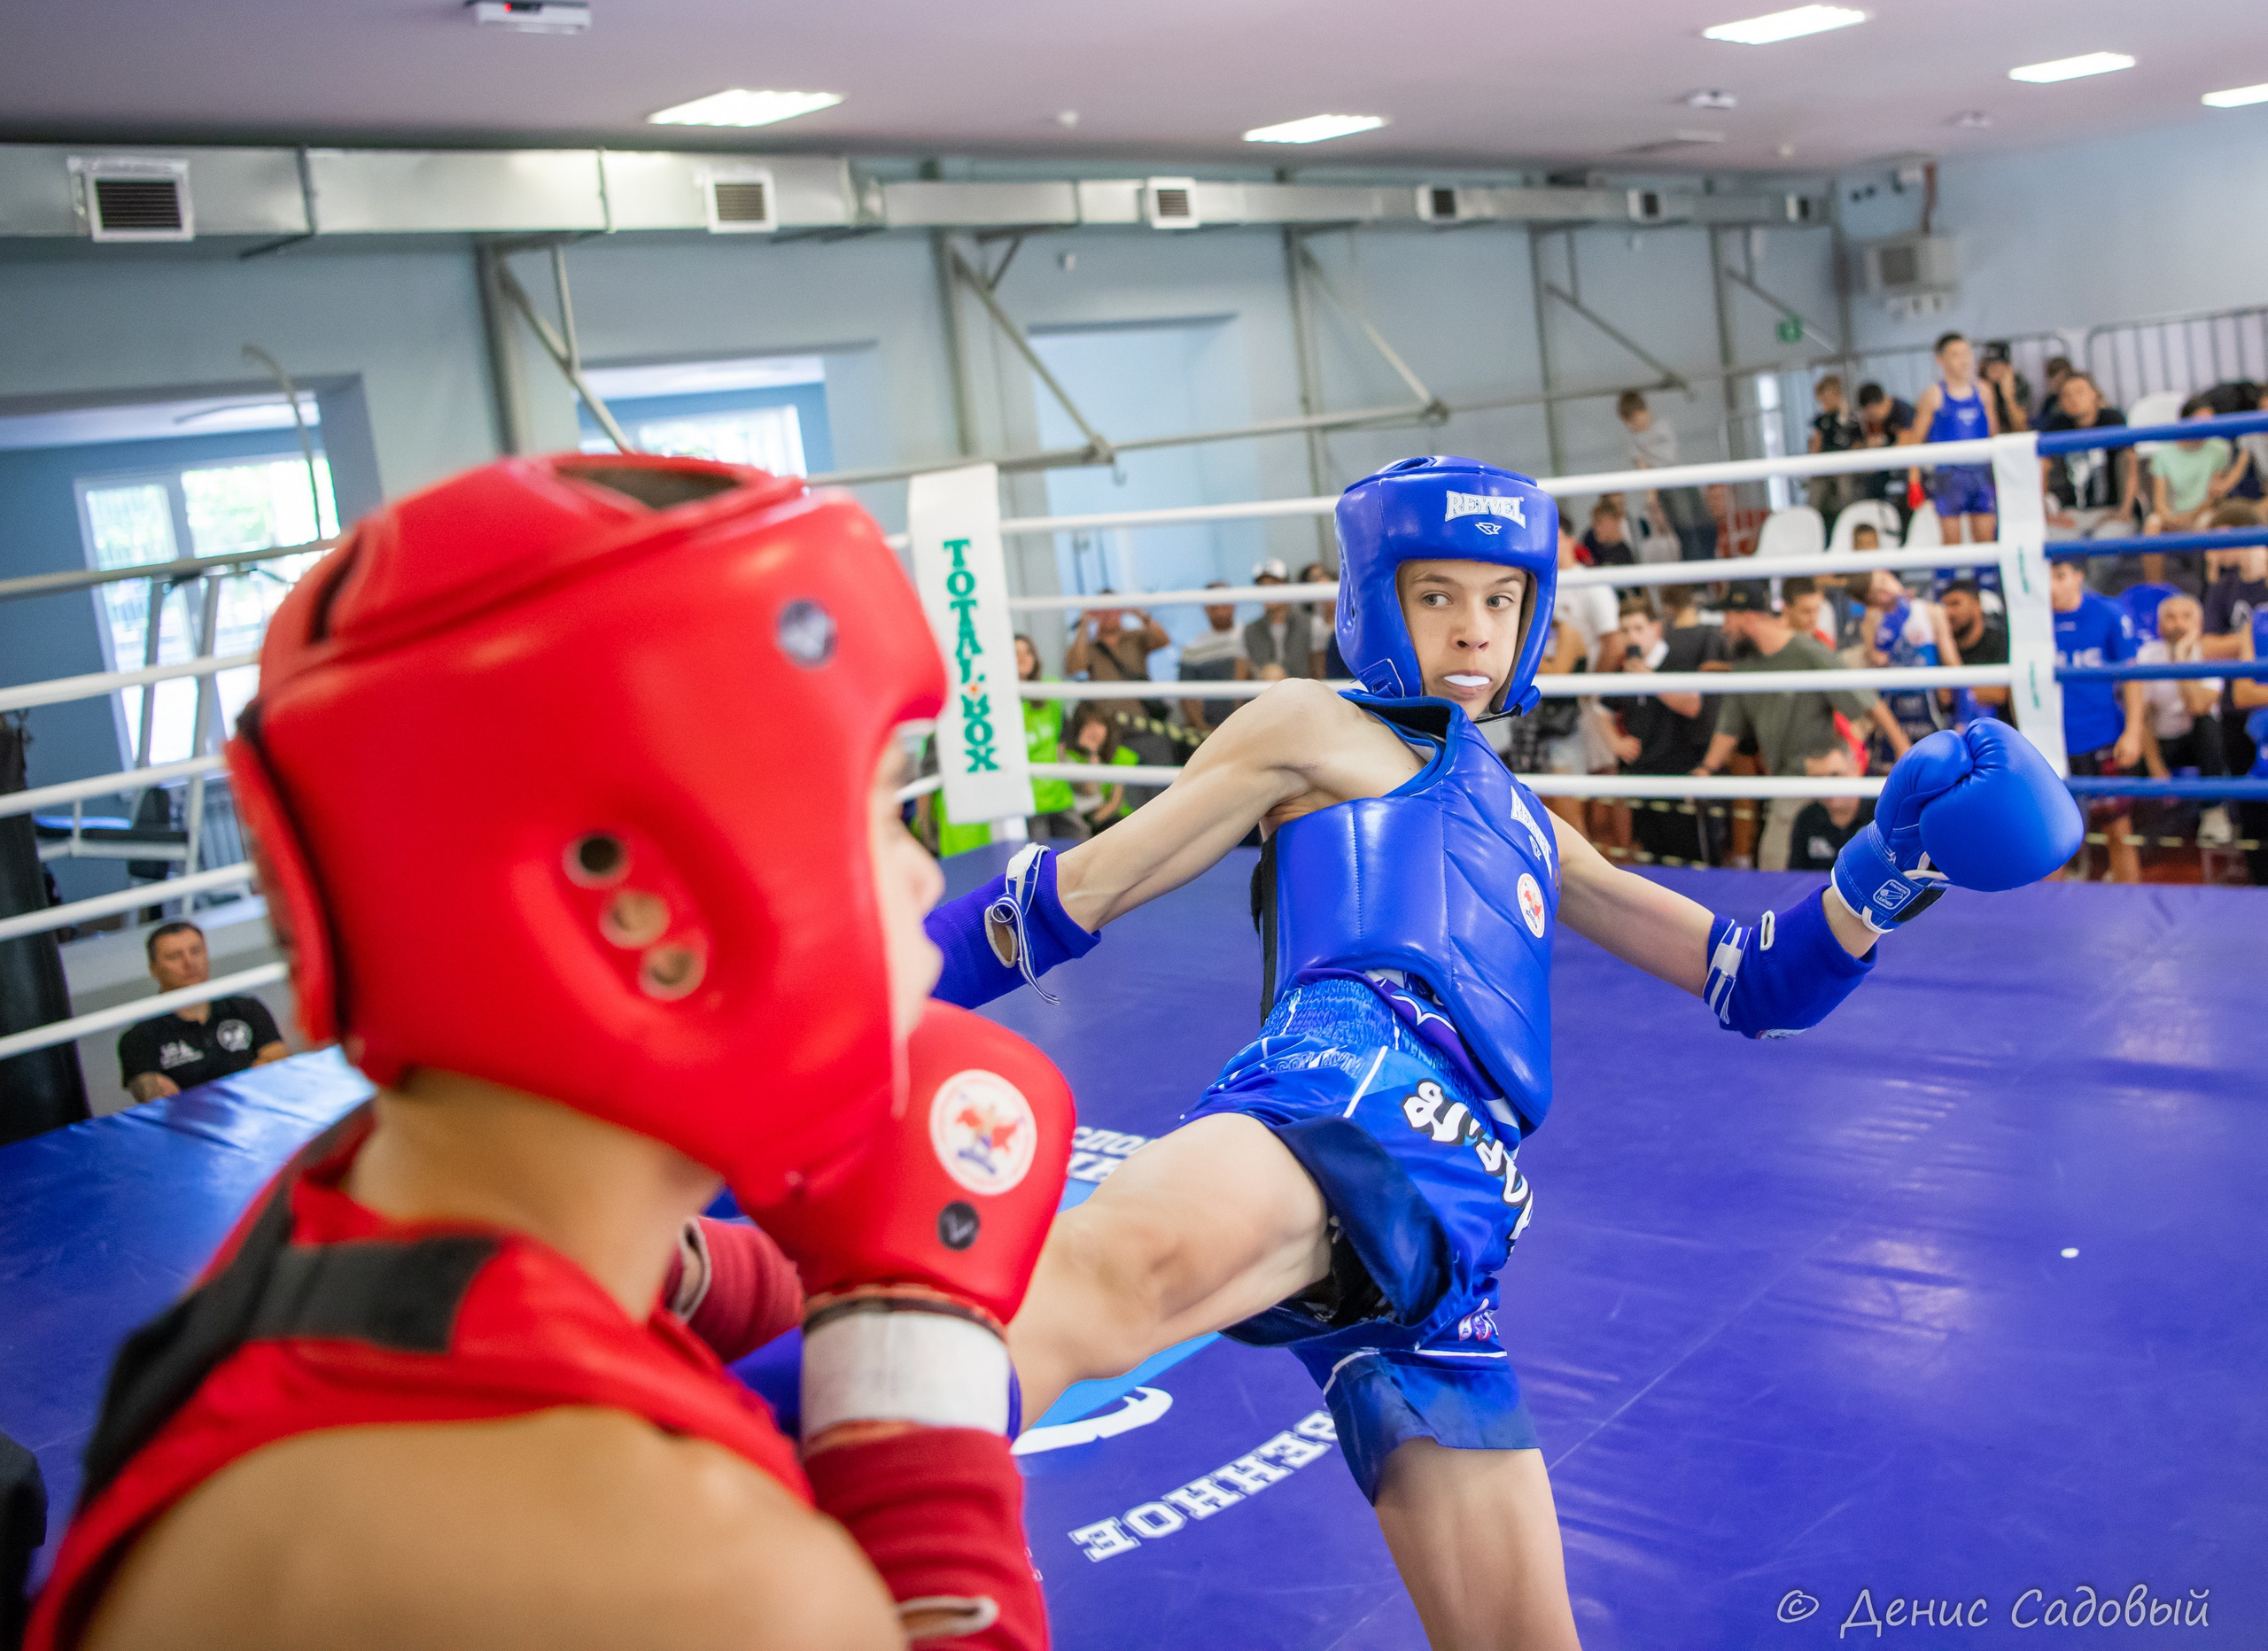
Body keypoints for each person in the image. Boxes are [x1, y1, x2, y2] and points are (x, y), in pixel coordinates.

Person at [920, 455, 2081, 1651]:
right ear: (1378, 603)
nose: (1473, 631)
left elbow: (1758, 984)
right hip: (1343, 1092)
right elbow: (1074, 892)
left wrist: (1884, 878)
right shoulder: (1314, 727)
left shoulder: (1534, 828)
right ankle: (789, 1536)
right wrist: (877, 990)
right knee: (1074, 1288)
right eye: (1437, 597)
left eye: (1499, 600)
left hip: (1464, 1213)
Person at [28, 454, 1069, 1651]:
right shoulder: (679, 1573)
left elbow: (639, 1278)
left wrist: (837, 1270)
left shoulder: (345, 1205)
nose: (925, 877)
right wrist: (916, 1394)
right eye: (884, 807)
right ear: (644, 911)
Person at [1694, 585, 1910, 872]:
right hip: (1787, 781)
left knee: (1785, 871)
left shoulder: (1807, 652)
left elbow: (1868, 703)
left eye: (1728, 617)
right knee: (1778, 869)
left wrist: (1904, 753)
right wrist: (1706, 769)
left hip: (1820, 782)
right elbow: (1729, 726)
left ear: (1746, 616)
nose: (1724, 627)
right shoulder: (1746, 664)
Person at [1599, 592, 1719, 866]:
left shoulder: (1678, 659)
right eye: (1625, 630)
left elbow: (1692, 704)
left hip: (1682, 772)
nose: (1632, 637)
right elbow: (1600, 711)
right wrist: (1615, 741)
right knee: (1652, 857)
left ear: (1656, 628)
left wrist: (1649, 679)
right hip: (1641, 775)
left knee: (1694, 860)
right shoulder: (1623, 671)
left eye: (1639, 628)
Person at [116, 922, 289, 1103]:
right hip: (188, 1127)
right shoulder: (139, 1037)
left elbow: (277, 1061)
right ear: (154, 968)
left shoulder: (246, 1008)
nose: (189, 962)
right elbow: (154, 1095)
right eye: (175, 956)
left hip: (256, 1113)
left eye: (196, 951)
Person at [2051, 555, 2146, 883]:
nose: (2052, 585)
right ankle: (2045, 928)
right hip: (2051, 744)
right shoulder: (2032, 621)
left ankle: (2138, 923)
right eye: (2046, 576)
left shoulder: (2108, 613)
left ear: (2078, 576)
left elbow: (2131, 677)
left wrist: (2133, 732)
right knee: (2049, 843)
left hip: (2102, 737)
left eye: (2060, 575)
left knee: (2119, 832)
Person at [2134, 594, 2228, 847]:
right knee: (2130, 744)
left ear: (2200, 623)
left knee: (2208, 725)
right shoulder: (2146, 656)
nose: (2179, 624)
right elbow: (2141, 718)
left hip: (2197, 744)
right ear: (2158, 625)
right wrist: (2157, 769)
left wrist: (2180, 660)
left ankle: (2213, 812)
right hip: (2159, 743)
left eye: (2187, 616)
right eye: (2171, 617)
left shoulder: (2209, 655)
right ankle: (2131, 839)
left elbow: (2198, 706)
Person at [1900, 331, 2000, 546]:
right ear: (1941, 360)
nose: (1964, 359)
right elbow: (1915, 440)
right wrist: (1914, 481)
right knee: (1951, 541)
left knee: (1986, 539)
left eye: (1966, 353)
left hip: (1981, 474)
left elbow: (1994, 437)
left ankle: (1986, 580)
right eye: (1955, 354)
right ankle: (1948, 580)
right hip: (1948, 477)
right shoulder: (1933, 395)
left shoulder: (1984, 392)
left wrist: (2000, 474)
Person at [2142, 398, 2243, 587]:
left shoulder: (2220, 449)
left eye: (2210, 421)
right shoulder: (2164, 454)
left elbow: (2214, 496)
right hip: (2173, 515)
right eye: (2200, 421)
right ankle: (2154, 589)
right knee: (2152, 523)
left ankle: (2211, 590)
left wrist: (2192, 516)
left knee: (2208, 522)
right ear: (2184, 421)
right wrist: (2171, 518)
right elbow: (2159, 500)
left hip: (2203, 512)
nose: (2207, 427)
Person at [1860, 570, 1962, 752]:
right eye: (1876, 591)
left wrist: (1960, 708)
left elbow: (1953, 663)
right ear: (1870, 598)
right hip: (1893, 705)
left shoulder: (1930, 611)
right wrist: (1889, 629)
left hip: (1928, 701)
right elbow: (1874, 662)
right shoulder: (1873, 618)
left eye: (1885, 581)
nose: (1885, 590)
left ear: (1893, 578)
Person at [2039, 372, 2136, 554]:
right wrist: (2047, 513)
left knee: (2105, 546)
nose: (2073, 399)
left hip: (2110, 510)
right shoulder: (2056, 426)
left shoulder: (2112, 420)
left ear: (2094, 394)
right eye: (2066, 395)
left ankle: (2091, 585)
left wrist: (2125, 510)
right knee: (2050, 543)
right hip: (2070, 514)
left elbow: (2130, 463)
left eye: (2080, 392)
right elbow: (2042, 469)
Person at [1018, 633, 1089, 841]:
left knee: (1081, 842)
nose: (1023, 658)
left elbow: (1060, 745)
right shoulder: (997, 706)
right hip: (1027, 802)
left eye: (1028, 652)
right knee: (1038, 858)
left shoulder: (1050, 695)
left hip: (1058, 796)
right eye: (1015, 653)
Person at [1784, 741, 1876, 872]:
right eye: (1817, 778)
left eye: (1835, 775)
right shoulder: (1807, 818)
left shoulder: (1881, 813)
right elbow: (1795, 877)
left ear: (1857, 768)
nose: (1827, 786)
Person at [1177, 581, 1251, 737]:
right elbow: (1188, 697)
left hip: (1252, 722)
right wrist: (1205, 731)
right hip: (1212, 731)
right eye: (1214, 607)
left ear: (1233, 604)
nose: (1220, 612)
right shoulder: (1193, 648)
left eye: (1224, 605)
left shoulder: (1250, 636)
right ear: (1206, 609)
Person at [1063, 701, 1141, 831]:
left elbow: (1114, 803)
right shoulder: (1069, 756)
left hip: (1113, 819)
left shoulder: (1122, 756)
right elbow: (1089, 792)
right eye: (1088, 725)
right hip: (1080, 816)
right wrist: (1091, 756)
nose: (1094, 731)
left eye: (1099, 724)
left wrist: (1093, 826)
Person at [1065, 593, 1171, 686]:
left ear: (1121, 611)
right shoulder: (1088, 647)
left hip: (1136, 706)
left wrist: (1139, 613)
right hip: (1102, 708)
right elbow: (1074, 668)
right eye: (1103, 609)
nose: (1108, 613)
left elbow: (1163, 640)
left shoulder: (1135, 638)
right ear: (1096, 613)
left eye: (1113, 608)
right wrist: (1084, 624)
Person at [1940, 579, 2010, 720]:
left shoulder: (1999, 640)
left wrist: (1955, 691)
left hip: (1998, 730)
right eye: (1944, 606)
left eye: (1955, 604)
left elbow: (1998, 693)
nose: (1948, 612)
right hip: (1952, 732)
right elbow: (1939, 697)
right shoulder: (1940, 647)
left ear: (1977, 605)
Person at [1244, 562, 1320, 680]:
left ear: (1286, 586)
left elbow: (1319, 671)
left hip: (1304, 693)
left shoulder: (1312, 624)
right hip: (1265, 694)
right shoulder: (1249, 631)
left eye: (1274, 584)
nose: (1268, 591)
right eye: (1262, 586)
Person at [1806, 375, 1860, 524]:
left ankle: (1850, 522)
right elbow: (1816, 445)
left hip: (1844, 462)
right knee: (1815, 494)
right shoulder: (1820, 420)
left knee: (1846, 491)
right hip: (1824, 462)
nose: (1827, 400)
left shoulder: (1849, 418)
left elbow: (1857, 443)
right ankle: (1810, 523)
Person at [1853, 383, 1916, 510]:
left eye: (1873, 415)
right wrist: (1869, 447)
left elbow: (1904, 445)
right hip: (1885, 465)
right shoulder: (1867, 422)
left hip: (1907, 463)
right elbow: (1859, 448)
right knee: (1869, 481)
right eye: (1869, 416)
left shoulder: (1901, 410)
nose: (1872, 419)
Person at [1979, 341, 2031, 435]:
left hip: (2013, 438)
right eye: (1991, 365)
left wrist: (2008, 396)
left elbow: (2022, 428)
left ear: (2008, 367)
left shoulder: (2018, 384)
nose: (1995, 370)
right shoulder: (1979, 387)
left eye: (2000, 365)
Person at [1579, 497, 1636, 568]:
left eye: (1599, 522)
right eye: (1594, 524)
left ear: (1614, 522)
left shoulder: (1624, 555)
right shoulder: (1591, 548)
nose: (1595, 528)